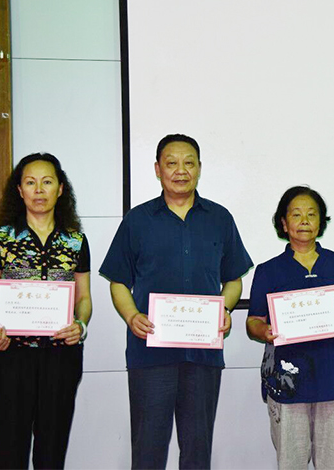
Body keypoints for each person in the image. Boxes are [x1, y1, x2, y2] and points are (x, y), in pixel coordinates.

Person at [99, 134, 253, 469]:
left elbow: (233, 280)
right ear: (158, 169)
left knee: (197, 450)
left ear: (199, 168)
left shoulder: (220, 218)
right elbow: (118, 281)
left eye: (188, 163)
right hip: (150, 353)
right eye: (171, 163)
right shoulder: (137, 220)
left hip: (202, 354)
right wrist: (131, 316)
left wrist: (225, 309)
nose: (180, 170)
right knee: (148, 449)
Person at [0, 153, 91, 469]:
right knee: (10, 454)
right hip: (11, 358)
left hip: (60, 358)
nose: (39, 190)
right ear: (19, 190)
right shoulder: (1, 238)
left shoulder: (76, 241)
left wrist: (80, 325)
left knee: (51, 454)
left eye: (47, 182)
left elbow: (84, 298)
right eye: (30, 182)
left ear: (60, 189)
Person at [246, 186, 334, 470]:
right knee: (291, 461)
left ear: (320, 222)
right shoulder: (268, 270)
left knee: (332, 461)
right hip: (287, 379)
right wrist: (264, 332)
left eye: (312, 214)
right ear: (284, 223)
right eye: (296, 214)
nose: (304, 221)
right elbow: (253, 321)